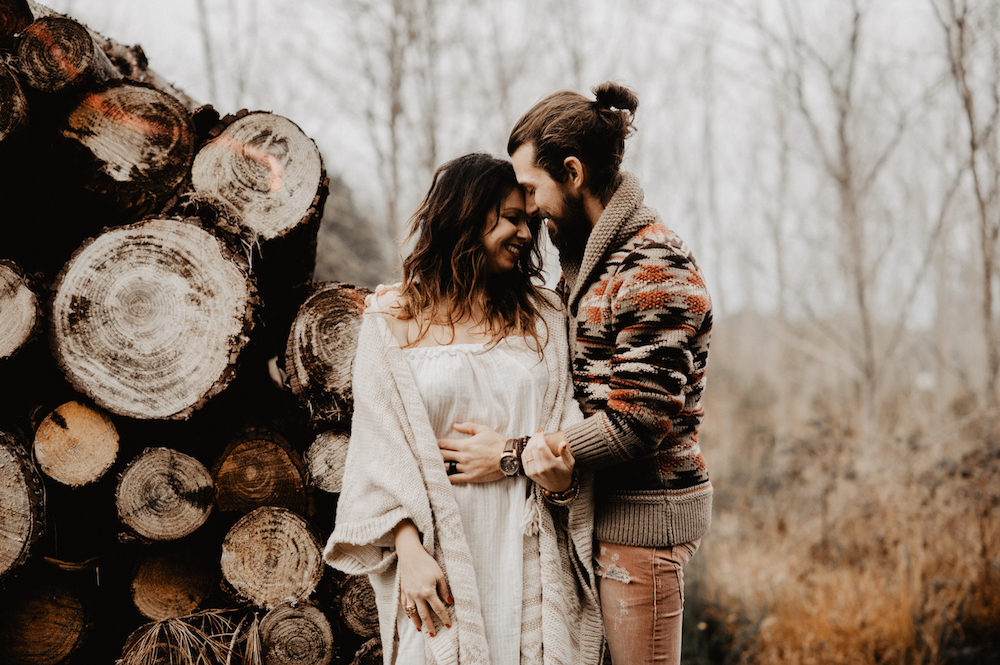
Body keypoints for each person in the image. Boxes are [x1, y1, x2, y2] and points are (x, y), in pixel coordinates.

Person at [437, 83, 714, 665]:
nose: (529, 208)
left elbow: (637, 422)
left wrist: (512, 455)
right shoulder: (590, 262)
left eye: (533, 190)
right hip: (598, 517)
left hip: (643, 525)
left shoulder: (651, 265)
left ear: (573, 172)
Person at [323, 153, 603, 665]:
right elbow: (378, 450)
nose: (525, 233)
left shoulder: (544, 318)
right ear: (466, 215)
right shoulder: (392, 317)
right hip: (440, 556)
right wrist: (409, 552)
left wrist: (559, 481)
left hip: (526, 549)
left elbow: (566, 432)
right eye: (512, 218)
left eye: (530, 221)